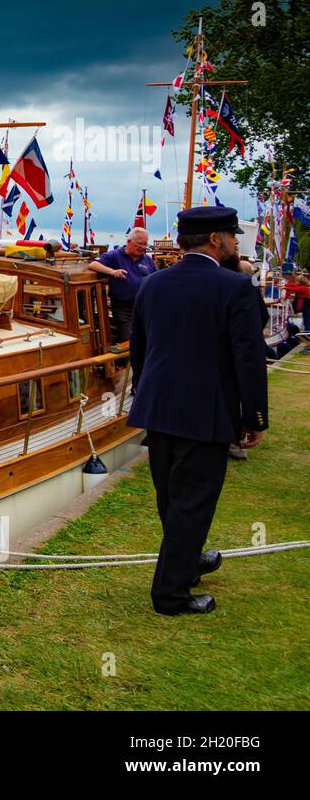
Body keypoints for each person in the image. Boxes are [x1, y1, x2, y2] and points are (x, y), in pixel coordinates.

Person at [129, 206, 267, 616]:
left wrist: (145, 396)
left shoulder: (152, 284)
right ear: (216, 240)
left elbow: (140, 348)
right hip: (204, 412)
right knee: (192, 502)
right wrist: (254, 416)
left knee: (171, 498)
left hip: (158, 407)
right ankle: (171, 594)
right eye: (232, 235)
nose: (236, 243)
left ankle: (186, 560)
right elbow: (248, 357)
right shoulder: (234, 287)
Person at [89, 227, 156, 345]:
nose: (143, 247)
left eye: (145, 244)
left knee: (148, 339)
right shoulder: (114, 255)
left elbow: (155, 278)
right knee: (129, 342)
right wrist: (112, 272)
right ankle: (129, 363)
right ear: (129, 241)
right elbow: (93, 264)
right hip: (124, 309)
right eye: (140, 244)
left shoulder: (147, 259)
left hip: (145, 307)